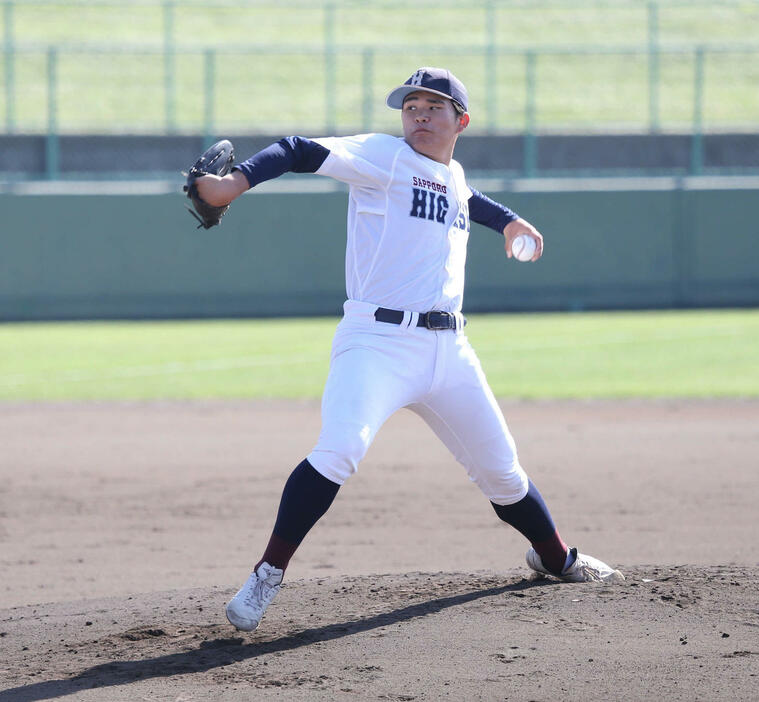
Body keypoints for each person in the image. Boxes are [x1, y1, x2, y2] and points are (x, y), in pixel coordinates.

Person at [195, 67, 624, 633]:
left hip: (450, 352)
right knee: (339, 450)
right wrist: (233, 184)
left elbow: (465, 196)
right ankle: (267, 574)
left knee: (504, 474)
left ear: (460, 121)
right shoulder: (383, 156)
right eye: (411, 107)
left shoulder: (454, 173)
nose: (419, 116)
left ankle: (557, 557)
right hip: (378, 343)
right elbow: (300, 149)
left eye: (434, 107)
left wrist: (511, 221)